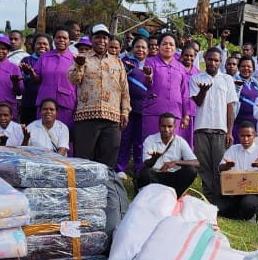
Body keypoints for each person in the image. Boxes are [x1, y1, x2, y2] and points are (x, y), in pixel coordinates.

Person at [69, 24, 129, 168]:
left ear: (108, 40)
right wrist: (78, 66)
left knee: (109, 158)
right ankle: (83, 189)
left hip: (112, 117)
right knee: (84, 158)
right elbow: (74, 80)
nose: (101, 41)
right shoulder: (82, 58)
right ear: (91, 39)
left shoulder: (117, 62)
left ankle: (105, 189)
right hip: (87, 117)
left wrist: (125, 111)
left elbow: (124, 89)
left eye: (104, 37)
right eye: (98, 37)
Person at [190, 47, 237, 199]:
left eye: (216, 60)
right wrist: (203, 91)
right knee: (204, 166)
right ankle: (209, 197)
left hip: (220, 129)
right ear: (205, 59)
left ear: (220, 62)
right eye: (210, 59)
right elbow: (196, 102)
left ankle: (221, 197)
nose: (212, 62)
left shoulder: (227, 80)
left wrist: (229, 131)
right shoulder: (196, 78)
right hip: (201, 128)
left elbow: (230, 107)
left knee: (220, 165)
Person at [217, 121, 258, 221]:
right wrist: (227, 166)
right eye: (242, 136)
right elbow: (220, 168)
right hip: (235, 192)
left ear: (254, 135)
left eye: (248, 136)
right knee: (219, 208)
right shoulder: (233, 149)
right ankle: (248, 214)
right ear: (238, 135)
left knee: (248, 205)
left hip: (254, 192)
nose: (245, 139)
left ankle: (252, 212)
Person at [139, 33, 192, 144]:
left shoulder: (181, 67)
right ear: (159, 46)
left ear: (175, 48)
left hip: (175, 114)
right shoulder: (150, 62)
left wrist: (186, 115)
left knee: (172, 147)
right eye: (165, 44)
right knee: (151, 145)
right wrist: (148, 77)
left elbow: (185, 93)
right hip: (154, 111)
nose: (168, 47)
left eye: (171, 44)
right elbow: (147, 84)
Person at [136, 112, 198, 195]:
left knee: (191, 171)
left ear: (175, 127)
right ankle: (151, 195)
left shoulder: (180, 141)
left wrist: (176, 162)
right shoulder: (150, 140)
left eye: (170, 126)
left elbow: (196, 163)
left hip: (173, 178)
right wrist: (154, 159)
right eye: (163, 126)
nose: (166, 129)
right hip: (155, 176)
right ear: (158, 126)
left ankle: (175, 195)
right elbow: (146, 164)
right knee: (144, 172)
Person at [116, 36, 149, 175]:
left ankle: (138, 168)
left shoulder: (151, 65)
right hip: (127, 107)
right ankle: (120, 168)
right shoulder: (125, 62)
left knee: (140, 139)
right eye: (137, 46)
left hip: (144, 108)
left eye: (143, 47)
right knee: (125, 138)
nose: (140, 49)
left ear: (147, 50)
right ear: (132, 48)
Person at [233, 56, 258, 143]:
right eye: (243, 66)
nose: (246, 68)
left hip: (255, 125)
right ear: (238, 68)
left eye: (249, 66)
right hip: (238, 124)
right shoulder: (233, 82)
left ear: (253, 69)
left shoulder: (257, 84)